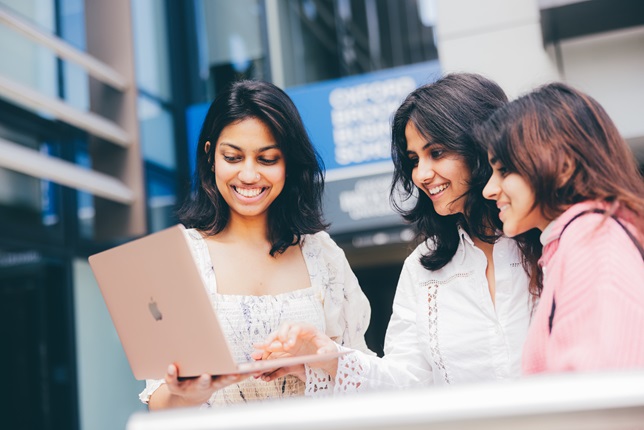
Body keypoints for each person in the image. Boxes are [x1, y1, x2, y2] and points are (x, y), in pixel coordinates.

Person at [255, 73, 541, 393]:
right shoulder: (422, 268)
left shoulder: (548, 240)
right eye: (414, 160)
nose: (421, 174)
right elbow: (404, 381)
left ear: (481, 145)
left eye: (437, 153)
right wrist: (328, 358)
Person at [139, 80, 372, 409]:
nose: (248, 176)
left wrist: (315, 361)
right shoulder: (182, 257)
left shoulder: (323, 255)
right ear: (210, 156)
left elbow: (362, 381)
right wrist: (187, 393)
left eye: (267, 159)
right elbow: (158, 403)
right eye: (233, 157)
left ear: (289, 163)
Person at [478, 82, 644, 373]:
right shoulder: (581, 238)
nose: (489, 190)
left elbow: (607, 394)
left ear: (563, 165)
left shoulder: (593, 240)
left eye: (504, 170)